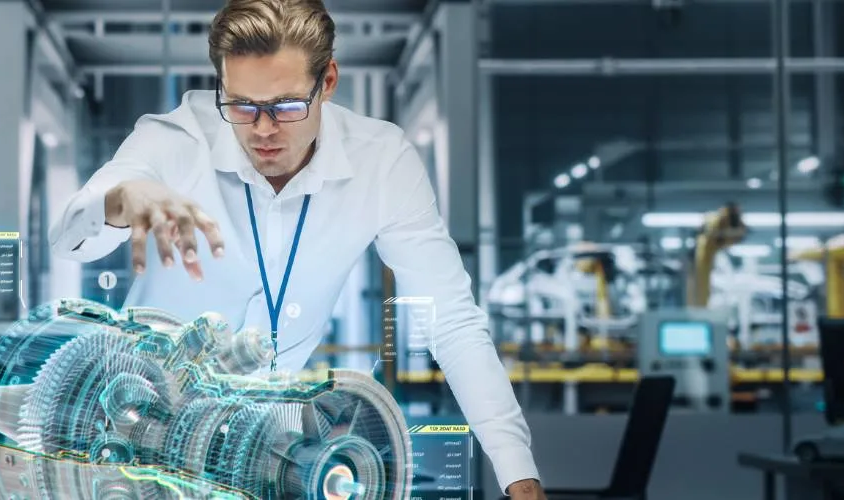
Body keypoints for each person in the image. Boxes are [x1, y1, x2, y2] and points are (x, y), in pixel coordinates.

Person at [48, 0, 546, 497]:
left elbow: (452, 319)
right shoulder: (177, 138)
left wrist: (518, 474)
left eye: (286, 106)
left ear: (327, 81)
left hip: (261, 442)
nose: (262, 129)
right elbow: (71, 238)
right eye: (241, 105)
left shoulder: (381, 162)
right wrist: (120, 199)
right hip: (133, 426)